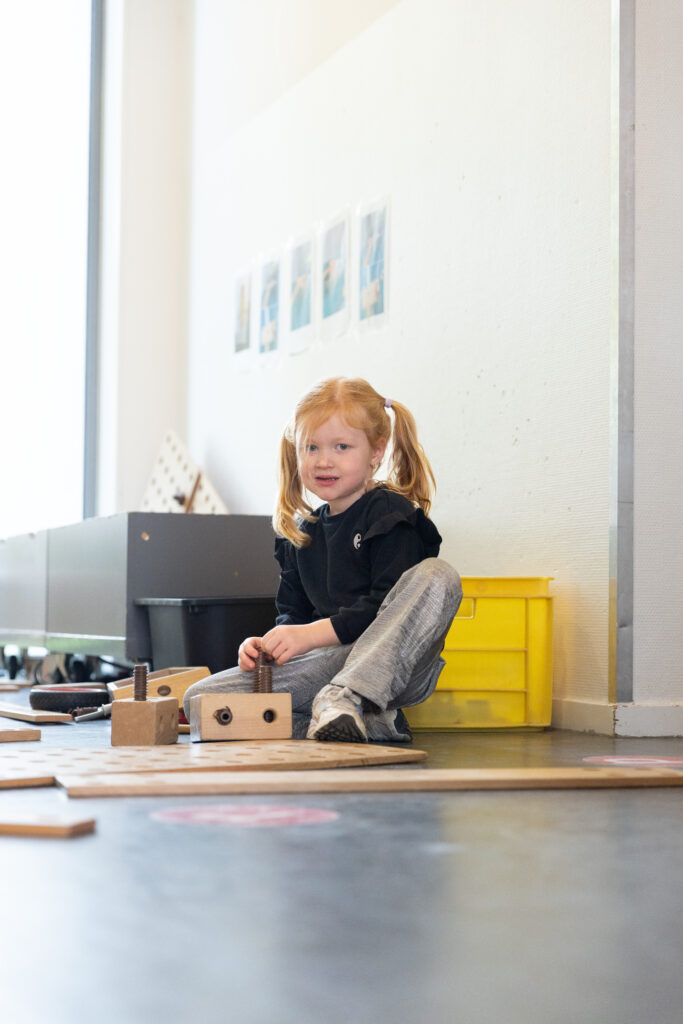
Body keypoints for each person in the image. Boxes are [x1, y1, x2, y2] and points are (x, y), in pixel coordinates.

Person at [183, 377, 462, 743]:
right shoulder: (302, 534)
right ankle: (369, 723)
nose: (324, 460)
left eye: (341, 446)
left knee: (439, 575)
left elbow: (384, 611)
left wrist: (310, 636)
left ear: (376, 451)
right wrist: (266, 647)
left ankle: (345, 698)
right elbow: (293, 617)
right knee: (198, 701)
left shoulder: (390, 515)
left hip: (392, 665)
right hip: (324, 665)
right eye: (311, 447)